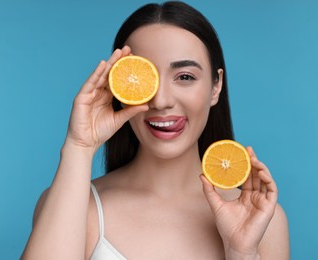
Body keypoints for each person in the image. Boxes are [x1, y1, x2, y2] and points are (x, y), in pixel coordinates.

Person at [22, 1, 289, 259]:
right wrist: (79, 146)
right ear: (120, 87)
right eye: (144, 78)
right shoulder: (74, 207)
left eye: (185, 77)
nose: (161, 101)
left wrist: (242, 254)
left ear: (215, 86)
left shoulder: (262, 219)